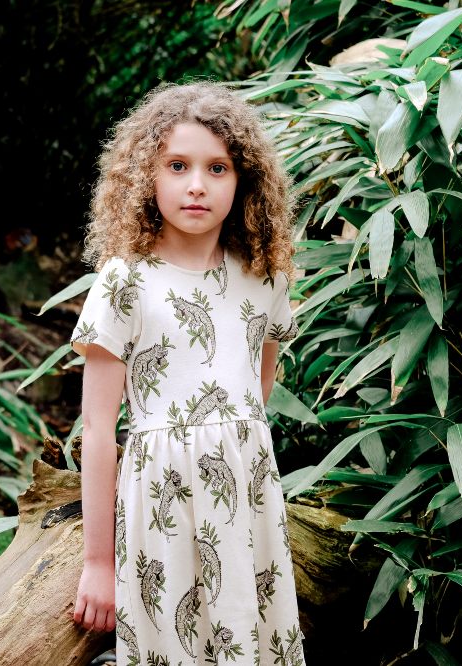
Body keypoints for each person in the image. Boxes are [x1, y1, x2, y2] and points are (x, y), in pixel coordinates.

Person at [70, 82, 305, 666]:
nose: (196, 184)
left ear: (243, 181)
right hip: (160, 505)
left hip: (246, 504)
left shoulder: (264, 279)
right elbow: (98, 429)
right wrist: (99, 563)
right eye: (177, 165)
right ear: (146, 176)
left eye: (217, 168)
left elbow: (259, 388)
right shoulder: (126, 282)